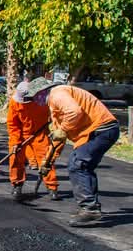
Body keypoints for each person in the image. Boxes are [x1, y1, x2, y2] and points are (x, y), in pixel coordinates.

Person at [24, 77, 120, 226]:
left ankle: (89, 209)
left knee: (78, 164)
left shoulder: (57, 94)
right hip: (96, 132)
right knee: (83, 166)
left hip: (102, 130)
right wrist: (47, 161)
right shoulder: (55, 104)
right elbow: (58, 138)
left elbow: (74, 112)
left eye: (35, 97)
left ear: (41, 92)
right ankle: (90, 207)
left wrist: (62, 129)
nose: (35, 101)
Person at [7, 80, 62, 200]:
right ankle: (17, 184)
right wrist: (16, 141)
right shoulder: (15, 102)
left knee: (46, 159)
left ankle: (52, 187)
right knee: (15, 158)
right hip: (21, 135)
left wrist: (51, 120)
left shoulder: (41, 100)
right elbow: (13, 124)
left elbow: (54, 112)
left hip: (39, 133)